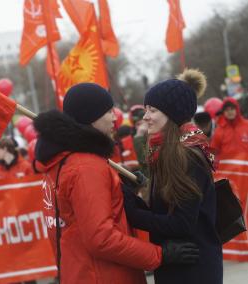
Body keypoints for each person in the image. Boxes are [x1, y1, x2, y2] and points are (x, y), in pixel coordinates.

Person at [33, 82, 199, 284]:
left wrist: (121, 193)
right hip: (104, 275)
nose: (115, 117)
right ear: (90, 116)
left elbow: (79, 218)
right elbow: (101, 239)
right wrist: (160, 254)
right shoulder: (86, 167)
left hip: (80, 270)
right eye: (108, 111)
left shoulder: (61, 161)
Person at [122, 69, 223, 284]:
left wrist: (132, 213)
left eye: (153, 110)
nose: (145, 116)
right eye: (146, 109)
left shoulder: (186, 155)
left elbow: (181, 223)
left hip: (194, 270)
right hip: (177, 266)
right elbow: (165, 210)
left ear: (173, 114)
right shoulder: (166, 151)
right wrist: (132, 195)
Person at [211, 97, 248, 261]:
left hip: (246, 179)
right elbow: (213, 156)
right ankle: (235, 250)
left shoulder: (246, 126)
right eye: (227, 109)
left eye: (232, 108)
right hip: (230, 182)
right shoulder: (220, 131)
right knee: (234, 211)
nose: (230, 111)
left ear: (237, 109)